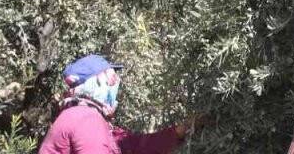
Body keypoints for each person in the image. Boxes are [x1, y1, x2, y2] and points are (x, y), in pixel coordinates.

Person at [37, 55, 201, 154]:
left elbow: (134, 146)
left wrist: (180, 131)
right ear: (98, 82)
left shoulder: (80, 116)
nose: (115, 86)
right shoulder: (86, 118)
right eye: (112, 80)